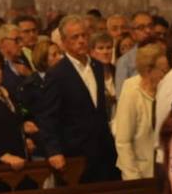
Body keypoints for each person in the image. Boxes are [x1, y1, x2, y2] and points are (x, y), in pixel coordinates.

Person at [36, 14, 120, 183]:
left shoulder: (97, 67)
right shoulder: (57, 74)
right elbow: (48, 117)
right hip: (74, 151)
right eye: (75, 37)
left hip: (103, 149)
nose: (81, 40)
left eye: (84, 35)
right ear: (64, 42)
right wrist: (53, 151)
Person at [113, 42, 169, 194]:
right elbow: (123, 140)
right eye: (162, 70)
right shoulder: (131, 91)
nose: (166, 75)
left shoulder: (166, 91)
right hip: (139, 173)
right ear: (147, 70)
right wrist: (134, 181)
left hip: (162, 173)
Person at [114, 11, 154, 93]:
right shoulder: (125, 61)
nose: (147, 31)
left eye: (150, 26)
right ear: (132, 33)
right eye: (141, 28)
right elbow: (121, 95)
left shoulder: (163, 54)